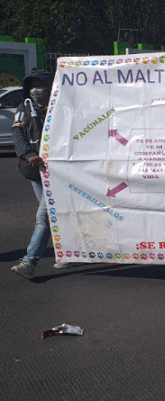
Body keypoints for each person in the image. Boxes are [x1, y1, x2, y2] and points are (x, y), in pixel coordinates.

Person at [10, 69, 74, 279]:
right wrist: (28, 155)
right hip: (37, 172)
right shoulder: (24, 109)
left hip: (60, 171)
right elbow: (18, 134)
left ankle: (30, 261)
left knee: (44, 217)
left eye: (42, 84)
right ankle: (70, 252)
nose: (37, 89)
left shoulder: (62, 107)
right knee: (55, 215)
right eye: (33, 85)